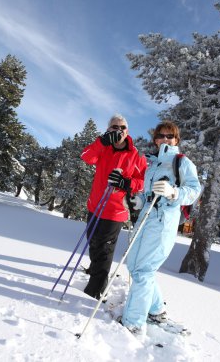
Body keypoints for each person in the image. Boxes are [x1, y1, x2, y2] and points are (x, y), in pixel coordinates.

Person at [120, 120, 201, 340]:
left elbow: (194, 191)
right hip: (145, 219)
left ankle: (133, 322)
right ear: (155, 139)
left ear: (176, 140)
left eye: (170, 136)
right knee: (135, 266)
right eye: (161, 136)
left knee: (144, 270)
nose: (165, 139)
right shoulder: (152, 164)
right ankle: (156, 310)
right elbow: (147, 194)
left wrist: (174, 192)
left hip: (164, 221)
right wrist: (137, 201)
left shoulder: (181, 162)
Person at [80, 114, 147, 300]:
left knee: (104, 249)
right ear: (109, 130)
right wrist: (101, 142)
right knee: (92, 241)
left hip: (116, 210)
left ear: (127, 131)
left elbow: (142, 182)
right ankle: (94, 270)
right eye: (114, 127)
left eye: (122, 127)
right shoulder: (103, 148)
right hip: (95, 205)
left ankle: (96, 289)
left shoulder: (136, 155)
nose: (119, 130)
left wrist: (126, 183)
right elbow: (86, 157)